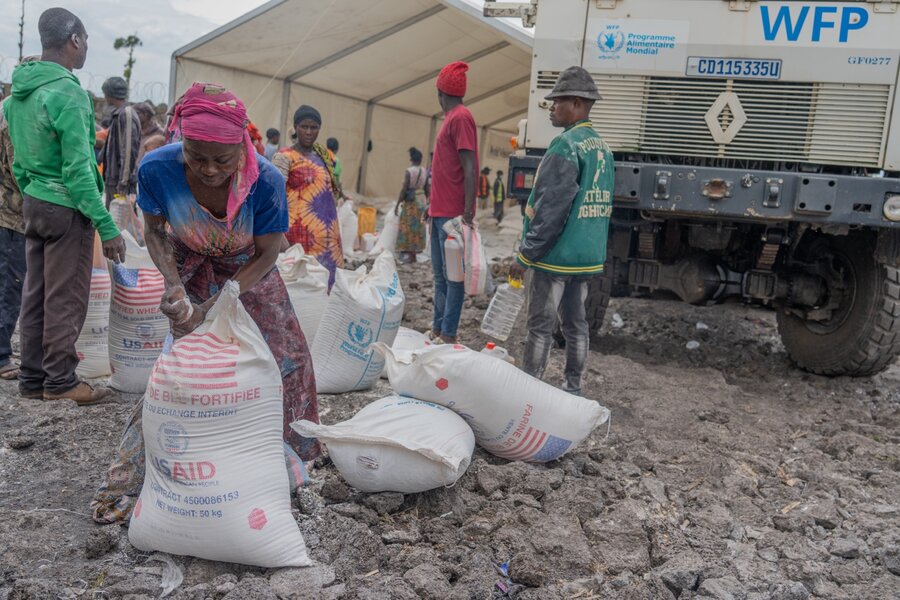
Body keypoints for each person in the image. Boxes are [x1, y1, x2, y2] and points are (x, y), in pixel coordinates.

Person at [91, 82, 321, 524]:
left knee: (288, 358)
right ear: (181, 140)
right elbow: (156, 232)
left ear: (242, 146)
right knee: (178, 367)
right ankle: (127, 481)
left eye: (222, 159)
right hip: (189, 259)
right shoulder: (158, 168)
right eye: (196, 156)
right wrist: (175, 288)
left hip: (247, 269)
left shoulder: (267, 181)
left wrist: (218, 305)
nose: (210, 169)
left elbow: (268, 253)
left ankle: (294, 464)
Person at [4, 8, 125, 404]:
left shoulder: (18, 93)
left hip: (34, 202)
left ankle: (33, 379)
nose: (86, 47)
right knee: (66, 295)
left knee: (35, 291)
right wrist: (106, 225)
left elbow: (18, 160)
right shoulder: (68, 93)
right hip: (65, 206)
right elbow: (78, 171)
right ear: (74, 39)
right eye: (86, 40)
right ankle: (60, 382)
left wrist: (34, 191)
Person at [509, 66, 612, 397]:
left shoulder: (565, 146)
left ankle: (530, 392)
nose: (551, 106)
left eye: (558, 101)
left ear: (578, 104)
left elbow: (552, 209)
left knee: (540, 326)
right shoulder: (603, 149)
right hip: (585, 256)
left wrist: (526, 254)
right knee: (576, 324)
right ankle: (573, 389)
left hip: (556, 257)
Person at [428, 61, 478, 344]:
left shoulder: (460, 118)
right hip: (439, 212)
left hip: (452, 216)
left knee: (453, 277)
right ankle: (438, 328)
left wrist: (467, 211)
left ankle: (448, 333)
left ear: (440, 91)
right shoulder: (451, 118)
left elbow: (469, 165)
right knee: (440, 276)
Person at [272, 106, 344, 288]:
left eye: (314, 128)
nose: (309, 132)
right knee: (301, 283)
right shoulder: (285, 157)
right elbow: (273, 196)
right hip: (298, 234)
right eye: (304, 127)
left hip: (327, 235)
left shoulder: (324, 156)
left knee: (328, 283)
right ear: (296, 127)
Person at [0, 83, 26, 381]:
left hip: (7, 212)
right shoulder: (12, 114)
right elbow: (18, 168)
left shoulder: (7, 108)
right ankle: (2, 355)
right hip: (11, 214)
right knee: (10, 283)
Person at [100, 76, 141, 207]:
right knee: (115, 221)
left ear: (110, 95)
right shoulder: (118, 114)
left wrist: (124, 182)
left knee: (123, 224)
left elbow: (128, 151)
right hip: (114, 179)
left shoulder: (126, 114)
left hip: (121, 183)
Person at [394, 147, 429, 264]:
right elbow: (427, 188)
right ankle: (414, 254)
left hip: (411, 202)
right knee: (418, 227)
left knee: (408, 227)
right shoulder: (425, 171)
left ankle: (410, 255)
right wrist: (428, 202)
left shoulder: (409, 171)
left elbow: (404, 189)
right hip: (421, 200)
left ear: (411, 159)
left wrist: (397, 204)